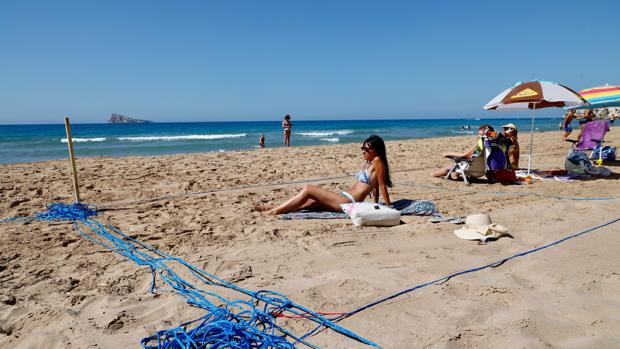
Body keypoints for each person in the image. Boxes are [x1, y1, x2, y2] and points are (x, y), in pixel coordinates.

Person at [254, 135, 392, 215]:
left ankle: (273, 212)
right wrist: (375, 204)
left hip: (349, 202)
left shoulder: (377, 161)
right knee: (310, 203)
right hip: (344, 197)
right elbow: (375, 187)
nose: (363, 151)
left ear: (376, 150)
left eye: (366, 149)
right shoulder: (369, 162)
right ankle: (273, 207)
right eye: (362, 148)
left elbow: (381, 184)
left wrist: (387, 206)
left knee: (309, 189)